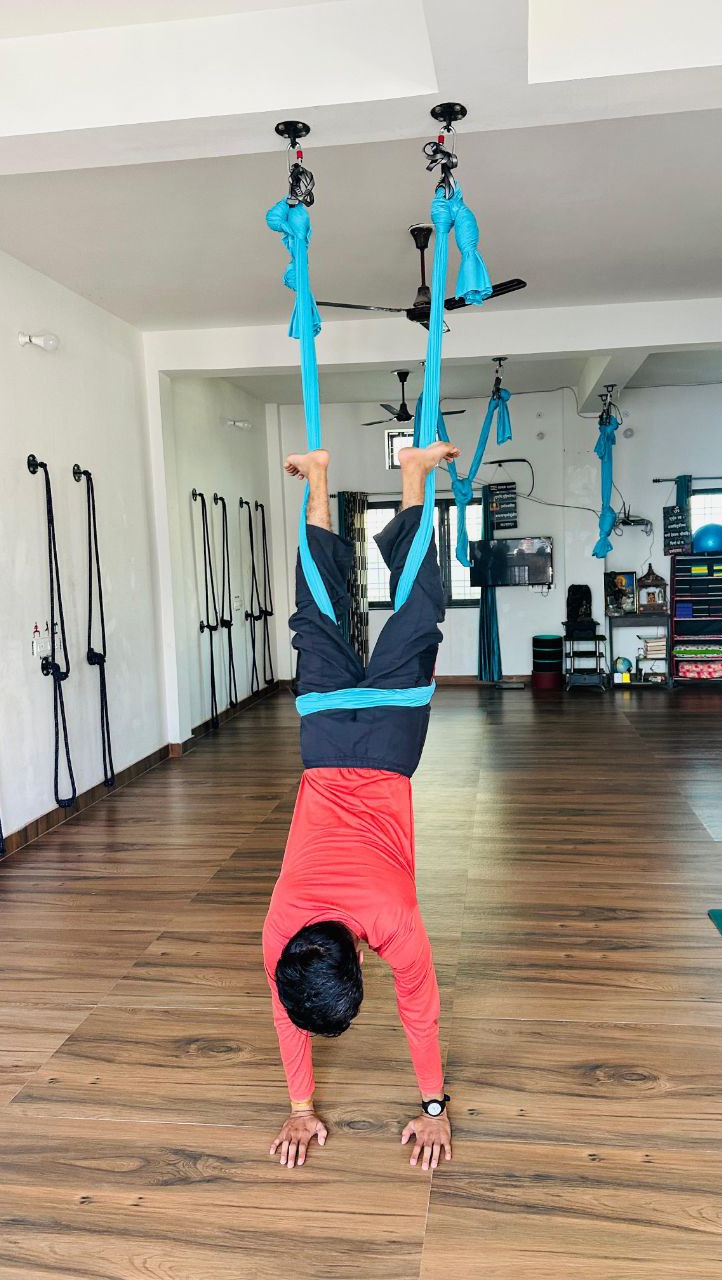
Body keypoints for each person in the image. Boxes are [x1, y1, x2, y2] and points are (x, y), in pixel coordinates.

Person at [264, 440, 459, 1173]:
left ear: (361, 959)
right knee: (315, 613)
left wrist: (434, 1108)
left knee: (416, 610)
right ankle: (316, 476)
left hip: (389, 739)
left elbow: (420, 1008)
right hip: (322, 735)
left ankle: (412, 476)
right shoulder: (280, 930)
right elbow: (286, 1010)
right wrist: (297, 1106)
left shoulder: (392, 922)